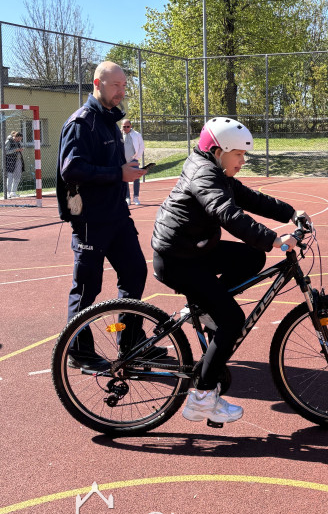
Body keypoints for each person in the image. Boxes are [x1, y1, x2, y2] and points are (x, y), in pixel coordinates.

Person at [152, 116, 310, 425]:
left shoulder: (214, 169)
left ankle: (209, 311)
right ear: (217, 150)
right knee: (233, 320)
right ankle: (201, 398)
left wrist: (290, 212)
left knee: (252, 258)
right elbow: (227, 213)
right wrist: (275, 239)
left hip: (193, 249)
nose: (242, 160)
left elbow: (247, 197)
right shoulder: (205, 174)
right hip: (178, 260)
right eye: (238, 154)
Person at [56, 61, 152, 370]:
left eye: (124, 86)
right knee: (87, 287)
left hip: (116, 217)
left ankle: (130, 343)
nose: (122, 91)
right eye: (116, 86)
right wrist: (117, 173)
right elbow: (70, 169)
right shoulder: (81, 123)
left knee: (136, 273)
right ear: (97, 84)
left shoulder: (109, 120)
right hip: (89, 220)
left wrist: (125, 172)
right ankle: (79, 352)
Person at [121, 119, 144, 205]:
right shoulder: (118, 135)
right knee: (124, 179)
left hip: (133, 160)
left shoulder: (137, 135)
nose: (126, 128)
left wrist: (137, 157)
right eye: (124, 127)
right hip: (123, 161)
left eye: (128, 126)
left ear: (131, 126)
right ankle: (127, 198)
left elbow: (142, 146)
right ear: (121, 126)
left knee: (136, 178)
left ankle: (136, 197)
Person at [4, 131, 25, 198]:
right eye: (18, 139)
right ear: (15, 137)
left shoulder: (19, 142)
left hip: (18, 160)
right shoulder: (9, 141)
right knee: (10, 176)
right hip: (10, 161)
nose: (19, 140)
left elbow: (21, 146)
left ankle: (13, 192)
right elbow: (5, 152)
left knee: (17, 177)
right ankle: (8, 192)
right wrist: (15, 150)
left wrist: (21, 149)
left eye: (20, 139)